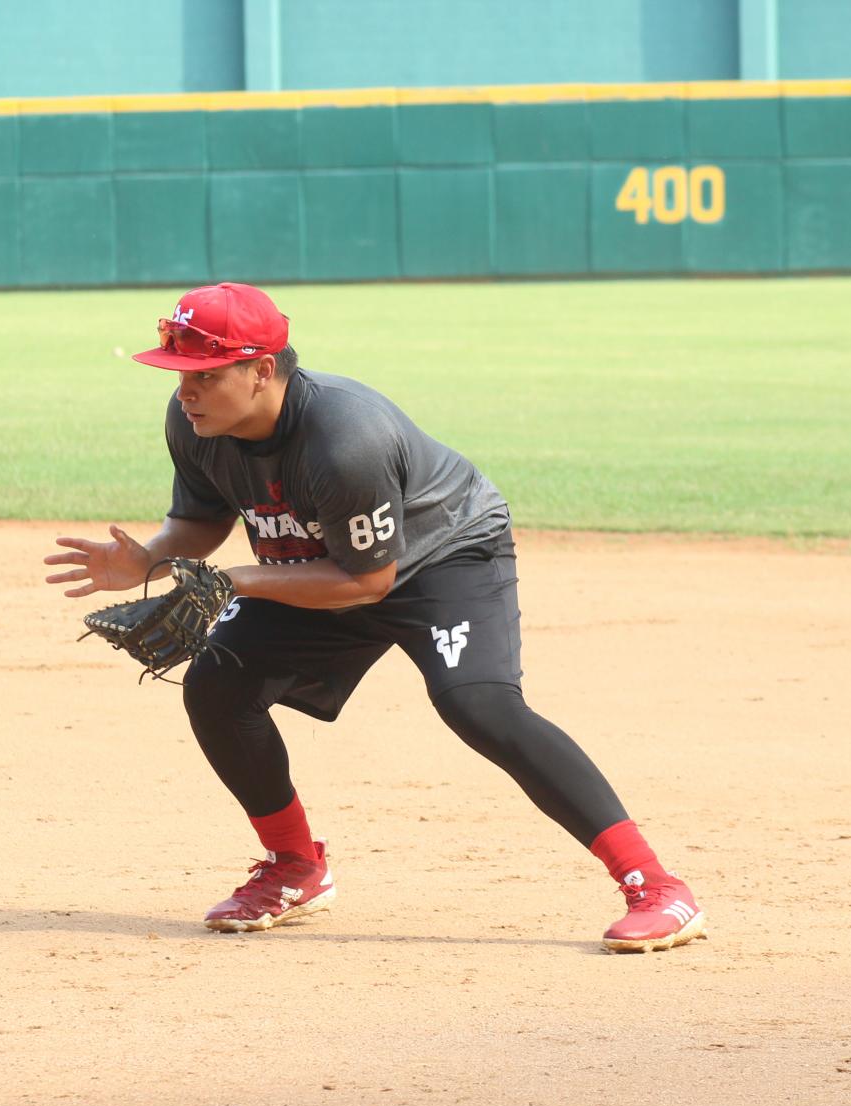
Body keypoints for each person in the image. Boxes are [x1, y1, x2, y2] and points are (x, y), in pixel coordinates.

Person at [45, 283, 706, 952]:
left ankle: (656, 885)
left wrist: (235, 580)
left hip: (444, 555)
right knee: (218, 682)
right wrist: (150, 558)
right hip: (322, 563)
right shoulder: (195, 424)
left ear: (262, 370)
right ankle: (295, 866)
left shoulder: (343, 438)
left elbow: (368, 580)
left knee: (479, 705)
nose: (186, 391)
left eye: (205, 375)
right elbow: (202, 517)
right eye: (180, 373)